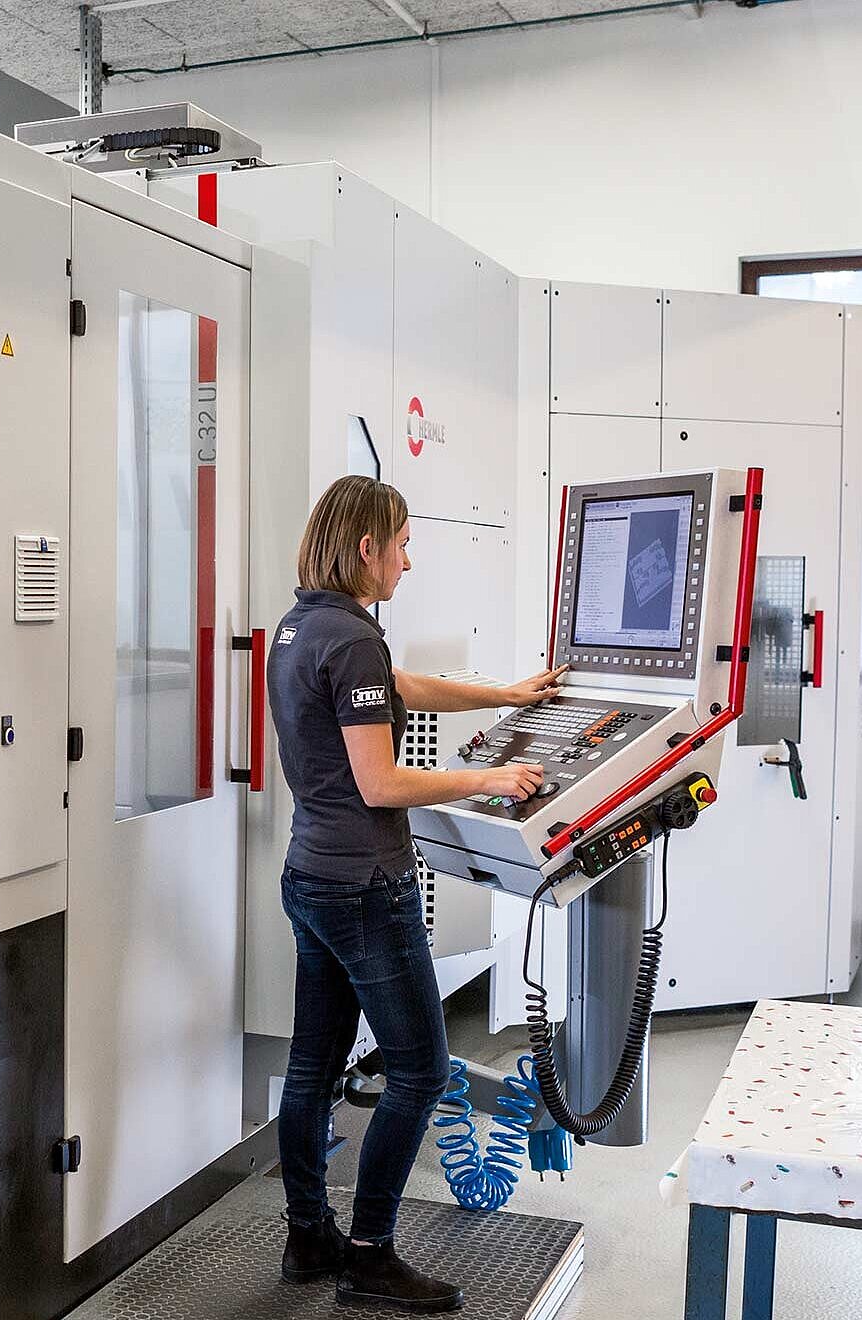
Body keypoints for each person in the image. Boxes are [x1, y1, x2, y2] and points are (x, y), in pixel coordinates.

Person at [268, 475, 563, 1312]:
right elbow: (379, 780)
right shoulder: (351, 639)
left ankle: (306, 1237)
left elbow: (406, 685)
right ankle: (369, 1255)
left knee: (311, 1065)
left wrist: (506, 695)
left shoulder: (302, 626)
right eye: (401, 542)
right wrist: (493, 776)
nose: (408, 558)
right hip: (366, 886)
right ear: (367, 547)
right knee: (421, 1070)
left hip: (311, 877)